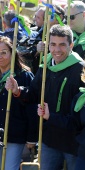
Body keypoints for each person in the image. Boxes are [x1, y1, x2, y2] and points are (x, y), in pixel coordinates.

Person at [5, 24, 85, 170]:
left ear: (71, 45)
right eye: (53, 44)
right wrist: (18, 91)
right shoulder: (46, 66)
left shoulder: (81, 69)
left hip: (74, 139)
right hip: (49, 137)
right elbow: (33, 95)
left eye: (62, 45)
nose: (57, 50)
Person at [0, 36, 38, 170]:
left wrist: (32, 137)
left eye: (4, 52)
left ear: (12, 53)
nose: (0, 56)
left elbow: (33, 107)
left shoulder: (24, 76)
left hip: (15, 135)